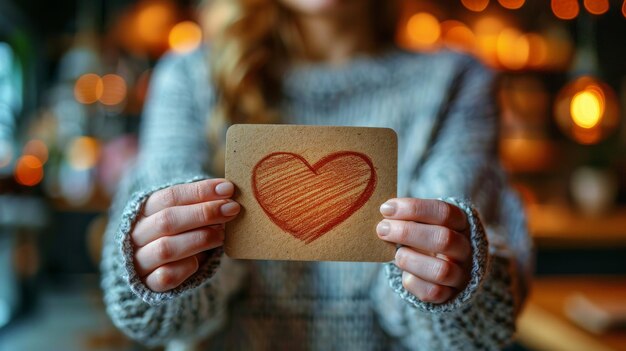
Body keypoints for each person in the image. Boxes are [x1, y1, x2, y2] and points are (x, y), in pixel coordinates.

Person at [101, 0, 532, 349]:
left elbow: (473, 326)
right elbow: (160, 321)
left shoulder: (457, 81)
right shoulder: (189, 77)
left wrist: (460, 284)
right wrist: (153, 267)